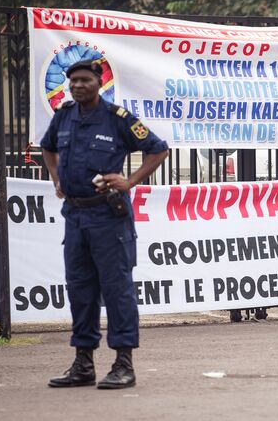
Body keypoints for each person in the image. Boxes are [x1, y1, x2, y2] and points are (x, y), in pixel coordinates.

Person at [41, 60, 169, 390]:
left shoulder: (117, 119)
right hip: (76, 216)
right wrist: (56, 178)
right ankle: (83, 363)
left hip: (109, 218)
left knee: (117, 291)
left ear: (99, 83)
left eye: (85, 80)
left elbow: (158, 149)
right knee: (80, 291)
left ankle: (123, 364)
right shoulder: (64, 116)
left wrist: (131, 181)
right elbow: (47, 146)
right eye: (73, 81)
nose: (78, 86)